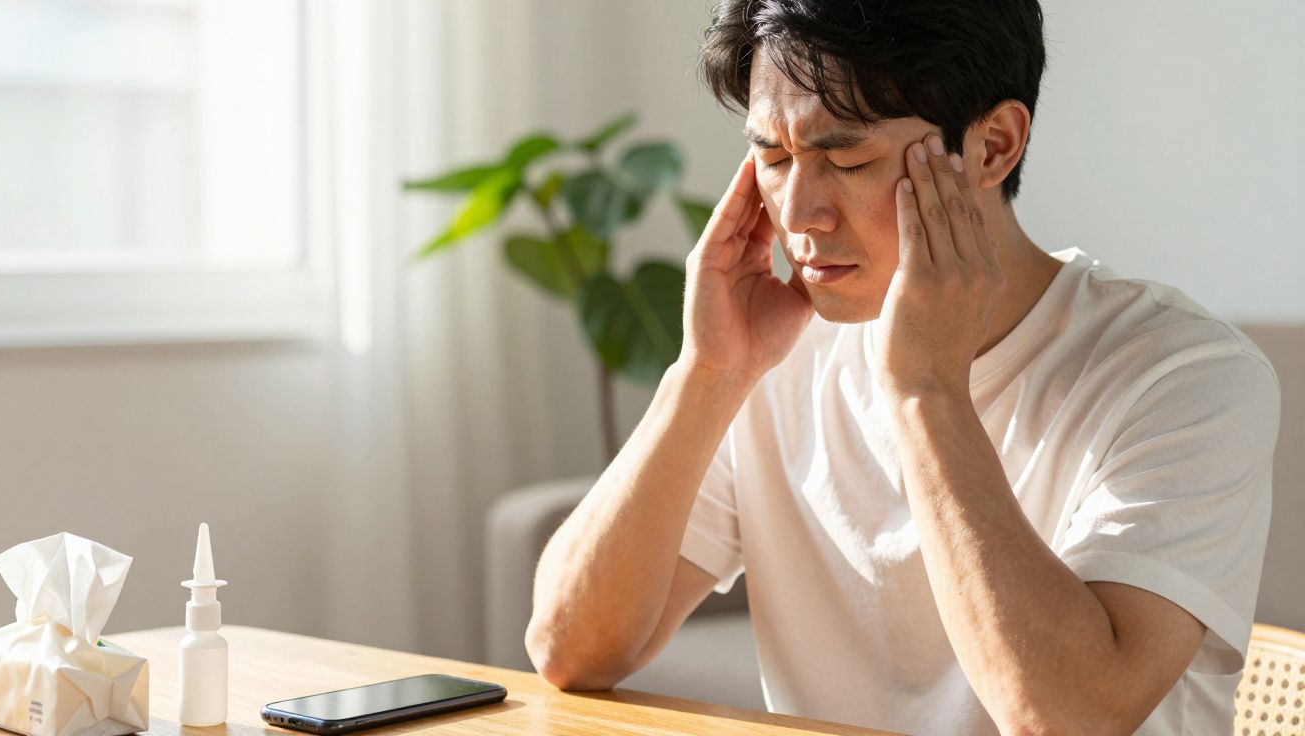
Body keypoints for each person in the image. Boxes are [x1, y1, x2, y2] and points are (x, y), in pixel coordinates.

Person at [525, 1, 1281, 733]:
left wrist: (926, 392)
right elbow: (568, 650)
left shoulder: (1188, 376)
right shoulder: (778, 355)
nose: (797, 213)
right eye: (774, 157)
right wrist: (706, 373)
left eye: (845, 158)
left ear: (993, 146)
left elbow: (1069, 717)